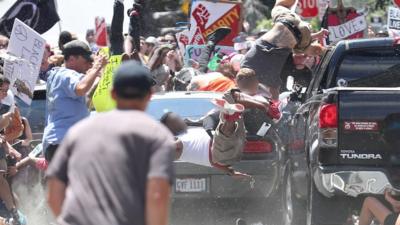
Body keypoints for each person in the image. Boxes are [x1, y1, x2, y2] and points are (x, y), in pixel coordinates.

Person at [46, 61, 175, 225]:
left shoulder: (79, 131)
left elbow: (53, 193)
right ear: (150, 95)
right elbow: (157, 195)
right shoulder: (157, 135)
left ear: (113, 93)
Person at [241, 0, 329, 100]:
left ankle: (328, 50)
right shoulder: (247, 61)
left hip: (301, 36)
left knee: (305, 49)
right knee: (278, 6)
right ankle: (327, 49)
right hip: (287, 21)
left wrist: (274, 111)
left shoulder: (264, 73)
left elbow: (274, 92)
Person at [42, 40, 108, 162]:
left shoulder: (59, 75)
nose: (89, 65)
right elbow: (81, 88)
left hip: (60, 142)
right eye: (87, 61)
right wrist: (97, 66)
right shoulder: (66, 74)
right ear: (72, 59)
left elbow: (85, 98)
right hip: (64, 142)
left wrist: (98, 76)